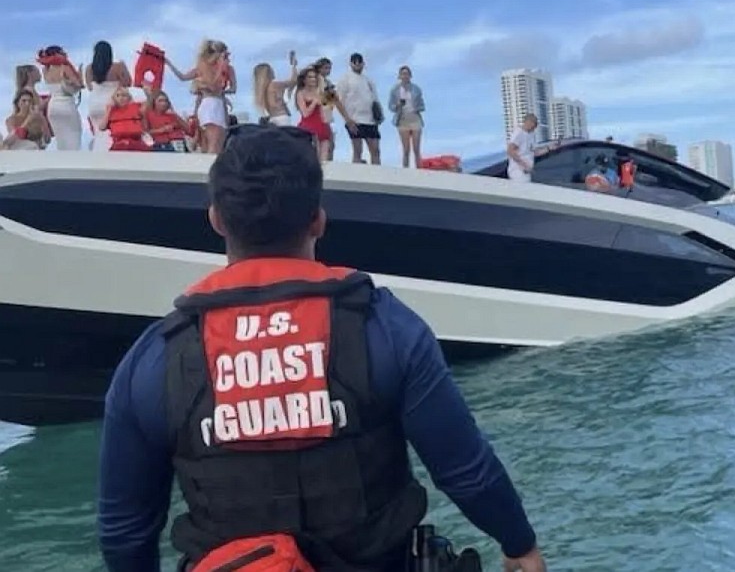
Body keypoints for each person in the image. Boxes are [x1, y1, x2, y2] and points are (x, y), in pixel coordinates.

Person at [96, 125, 548, 572]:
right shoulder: (384, 327)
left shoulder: (155, 359)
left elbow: (125, 531)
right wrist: (519, 544)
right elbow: (465, 470)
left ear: (216, 219)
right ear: (318, 219)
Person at [337, 53, 383, 164]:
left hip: (370, 120)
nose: (357, 64)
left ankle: (376, 173)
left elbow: (375, 100)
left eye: (359, 62)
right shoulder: (345, 79)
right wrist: (348, 120)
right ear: (350, 63)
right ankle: (356, 173)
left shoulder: (368, 80)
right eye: (354, 62)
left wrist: (379, 116)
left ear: (363, 63)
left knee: (375, 150)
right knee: (358, 150)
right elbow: (338, 101)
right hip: (355, 120)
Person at [506, 113, 555, 182]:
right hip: (518, 171)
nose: (534, 127)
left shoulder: (531, 134)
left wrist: (549, 148)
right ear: (528, 122)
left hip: (527, 171)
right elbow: (510, 151)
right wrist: (524, 165)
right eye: (534, 124)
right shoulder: (518, 133)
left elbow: (534, 152)